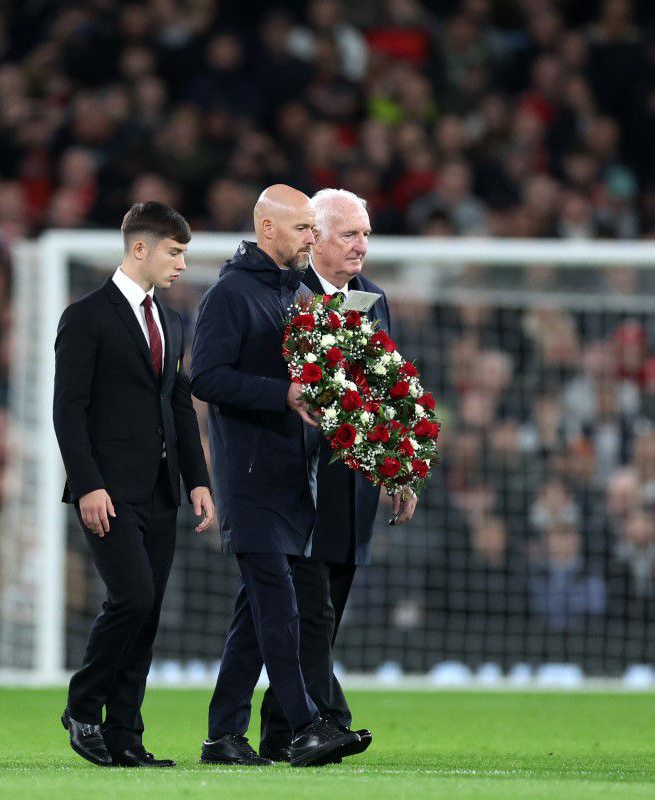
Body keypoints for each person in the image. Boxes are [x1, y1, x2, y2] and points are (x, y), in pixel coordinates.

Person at [190, 184, 361, 768]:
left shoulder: (294, 295)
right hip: (250, 476)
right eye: (302, 230)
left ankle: (222, 735)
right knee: (278, 607)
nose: (311, 238)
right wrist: (281, 392)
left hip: (294, 476)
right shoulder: (230, 295)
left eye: (315, 229)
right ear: (267, 230)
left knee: (252, 619)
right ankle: (308, 725)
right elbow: (205, 377)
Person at [256, 188, 417, 762]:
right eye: (349, 234)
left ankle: (281, 731)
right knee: (312, 607)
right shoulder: (284, 297)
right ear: (314, 237)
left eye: (366, 234)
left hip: (354, 480)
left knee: (331, 604)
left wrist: (398, 466)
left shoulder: (373, 298)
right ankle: (326, 718)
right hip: (297, 478)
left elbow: (384, 387)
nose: (361, 246)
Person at [53, 201, 214, 768]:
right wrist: (88, 484)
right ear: (138, 248)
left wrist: (197, 480)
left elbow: (179, 408)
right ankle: (82, 706)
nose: (180, 264)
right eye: (174, 252)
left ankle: (125, 734)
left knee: (146, 614)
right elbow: (68, 413)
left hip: (161, 491)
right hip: (109, 491)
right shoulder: (86, 316)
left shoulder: (170, 321)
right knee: (133, 598)